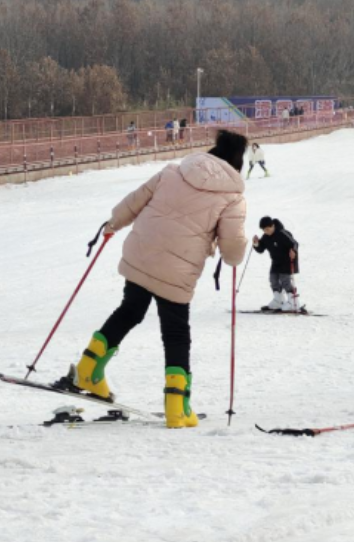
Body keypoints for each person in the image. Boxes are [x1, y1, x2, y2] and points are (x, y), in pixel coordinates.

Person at [52, 130, 249, 428]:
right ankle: (176, 407)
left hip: (141, 254)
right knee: (176, 333)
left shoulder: (172, 172)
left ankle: (88, 368)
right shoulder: (233, 198)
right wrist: (235, 257)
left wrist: (112, 224)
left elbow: (135, 201)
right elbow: (232, 249)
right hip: (177, 272)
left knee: (130, 310)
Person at [253, 216, 302, 312]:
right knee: (273, 279)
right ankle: (278, 300)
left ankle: (294, 302)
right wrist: (256, 243)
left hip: (287, 261)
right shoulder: (266, 236)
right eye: (264, 230)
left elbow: (295, 243)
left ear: (272, 226)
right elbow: (261, 249)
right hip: (276, 262)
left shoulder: (282, 233)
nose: (266, 231)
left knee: (285, 281)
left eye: (267, 229)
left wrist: (293, 251)